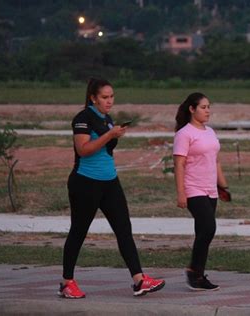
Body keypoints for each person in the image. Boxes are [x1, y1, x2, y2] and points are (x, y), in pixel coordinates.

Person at [58, 78, 165, 298]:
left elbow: (106, 148)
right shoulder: (83, 118)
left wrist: (113, 133)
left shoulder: (106, 118)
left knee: (124, 230)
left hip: (110, 182)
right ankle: (67, 282)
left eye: (112, 97)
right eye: (105, 97)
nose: (109, 101)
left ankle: (139, 280)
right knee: (79, 231)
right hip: (86, 182)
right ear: (93, 98)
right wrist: (110, 135)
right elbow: (83, 150)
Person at [173, 92, 230, 291]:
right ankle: (193, 270)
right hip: (193, 188)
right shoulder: (184, 134)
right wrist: (181, 193)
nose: (208, 111)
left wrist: (223, 185)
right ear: (192, 109)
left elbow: (215, 159)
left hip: (210, 189)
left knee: (202, 232)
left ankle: (198, 276)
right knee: (208, 228)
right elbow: (179, 165)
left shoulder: (210, 132)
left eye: (209, 107)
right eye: (203, 107)